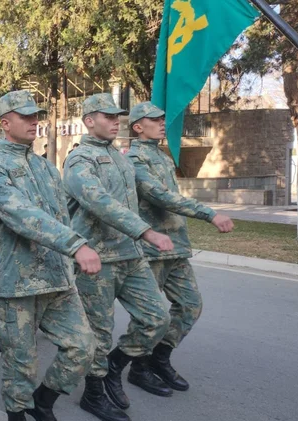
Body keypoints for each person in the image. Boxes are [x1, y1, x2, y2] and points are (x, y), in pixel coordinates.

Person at [0, 90, 99, 421]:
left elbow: (60, 216)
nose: (35, 122)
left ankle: (44, 399)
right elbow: (25, 218)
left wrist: (73, 258)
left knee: (83, 347)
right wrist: (77, 245)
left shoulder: (46, 168)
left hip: (57, 278)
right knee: (21, 363)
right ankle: (17, 413)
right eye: (26, 116)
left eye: (36, 116)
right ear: (5, 123)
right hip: (18, 283)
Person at [63, 93, 174, 421]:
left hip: (130, 255)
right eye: (107, 116)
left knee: (157, 318)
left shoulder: (121, 158)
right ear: (88, 121)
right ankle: (93, 393)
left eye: (117, 116)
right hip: (97, 260)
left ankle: (116, 366)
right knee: (99, 331)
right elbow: (99, 202)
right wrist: (146, 231)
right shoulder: (79, 160)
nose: (115, 121)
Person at [126, 102, 234, 392]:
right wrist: (209, 213)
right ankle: (138, 366)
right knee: (150, 315)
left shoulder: (160, 156)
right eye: (155, 119)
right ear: (138, 127)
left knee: (190, 306)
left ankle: (160, 358)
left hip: (176, 247)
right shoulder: (135, 160)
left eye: (163, 118)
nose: (163, 123)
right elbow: (162, 197)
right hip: (152, 249)